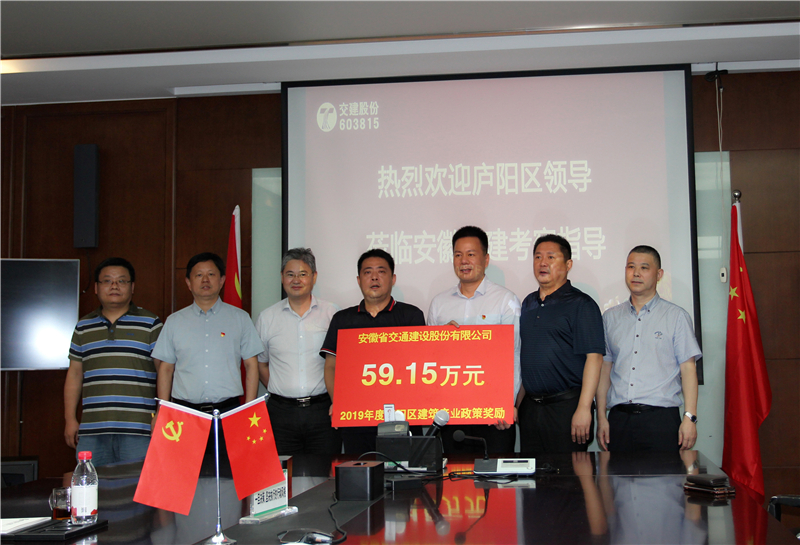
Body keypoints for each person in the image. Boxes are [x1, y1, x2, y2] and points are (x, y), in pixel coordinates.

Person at [153, 252, 263, 472]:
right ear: (188, 282)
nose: (205, 280)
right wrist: (162, 411)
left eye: (211, 274)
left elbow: (251, 365)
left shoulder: (240, 318)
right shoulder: (174, 322)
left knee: (229, 477)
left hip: (228, 413)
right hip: (184, 415)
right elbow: (165, 369)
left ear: (222, 280)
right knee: (185, 477)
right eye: (198, 275)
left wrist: (248, 410)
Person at [596, 245, 701, 452]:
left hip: (661, 420)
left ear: (659, 274)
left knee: (664, 474)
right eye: (631, 267)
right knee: (617, 474)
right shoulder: (610, 318)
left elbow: (688, 369)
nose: (636, 273)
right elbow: (604, 370)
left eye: (644, 268)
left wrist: (690, 417)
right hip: (619, 419)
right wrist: (601, 417)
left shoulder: (676, 317)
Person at [320, 249, 425, 454]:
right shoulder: (343, 319)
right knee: (361, 470)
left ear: (393, 279)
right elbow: (331, 366)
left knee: (404, 471)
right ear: (359, 280)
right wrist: (338, 402)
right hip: (357, 418)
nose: (374, 277)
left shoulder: (411, 316)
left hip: (403, 416)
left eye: (381, 271)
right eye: (368, 272)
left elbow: (422, 365)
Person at [427, 225, 520, 454]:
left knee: (496, 474)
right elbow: (430, 359)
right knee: (454, 474)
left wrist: (507, 404)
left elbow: (514, 356)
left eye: (471, 254)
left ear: (486, 259)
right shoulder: (439, 304)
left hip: (493, 413)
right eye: (458, 255)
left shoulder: (505, 300)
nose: (464, 261)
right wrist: (439, 340)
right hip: (451, 412)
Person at [64, 257, 163, 466]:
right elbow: (74, 374)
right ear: (96, 288)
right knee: (92, 485)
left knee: (136, 486)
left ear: (132, 287)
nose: (114, 286)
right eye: (107, 281)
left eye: (122, 281)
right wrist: (70, 419)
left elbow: (164, 372)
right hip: (92, 430)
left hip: (139, 430)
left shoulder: (151, 323)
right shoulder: (83, 326)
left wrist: (162, 415)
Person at [518, 234, 605, 453]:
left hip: (567, 408)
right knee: (531, 473)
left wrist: (584, 407)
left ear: (568, 265)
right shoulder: (528, 303)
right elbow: (524, 355)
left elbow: (594, 358)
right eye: (538, 257)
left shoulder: (582, 304)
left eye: (551, 257)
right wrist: (518, 403)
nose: (543, 263)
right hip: (531, 409)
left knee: (569, 473)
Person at [255, 248, 341, 455]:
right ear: (282, 277)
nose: (296, 280)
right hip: (280, 414)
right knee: (283, 472)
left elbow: (341, 364)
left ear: (314, 277)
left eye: (303, 274)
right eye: (290, 274)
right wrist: (284, 391)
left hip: (322, 411)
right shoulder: (267, 318)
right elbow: (262, 364)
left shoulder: (332, 313)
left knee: (323, 472)